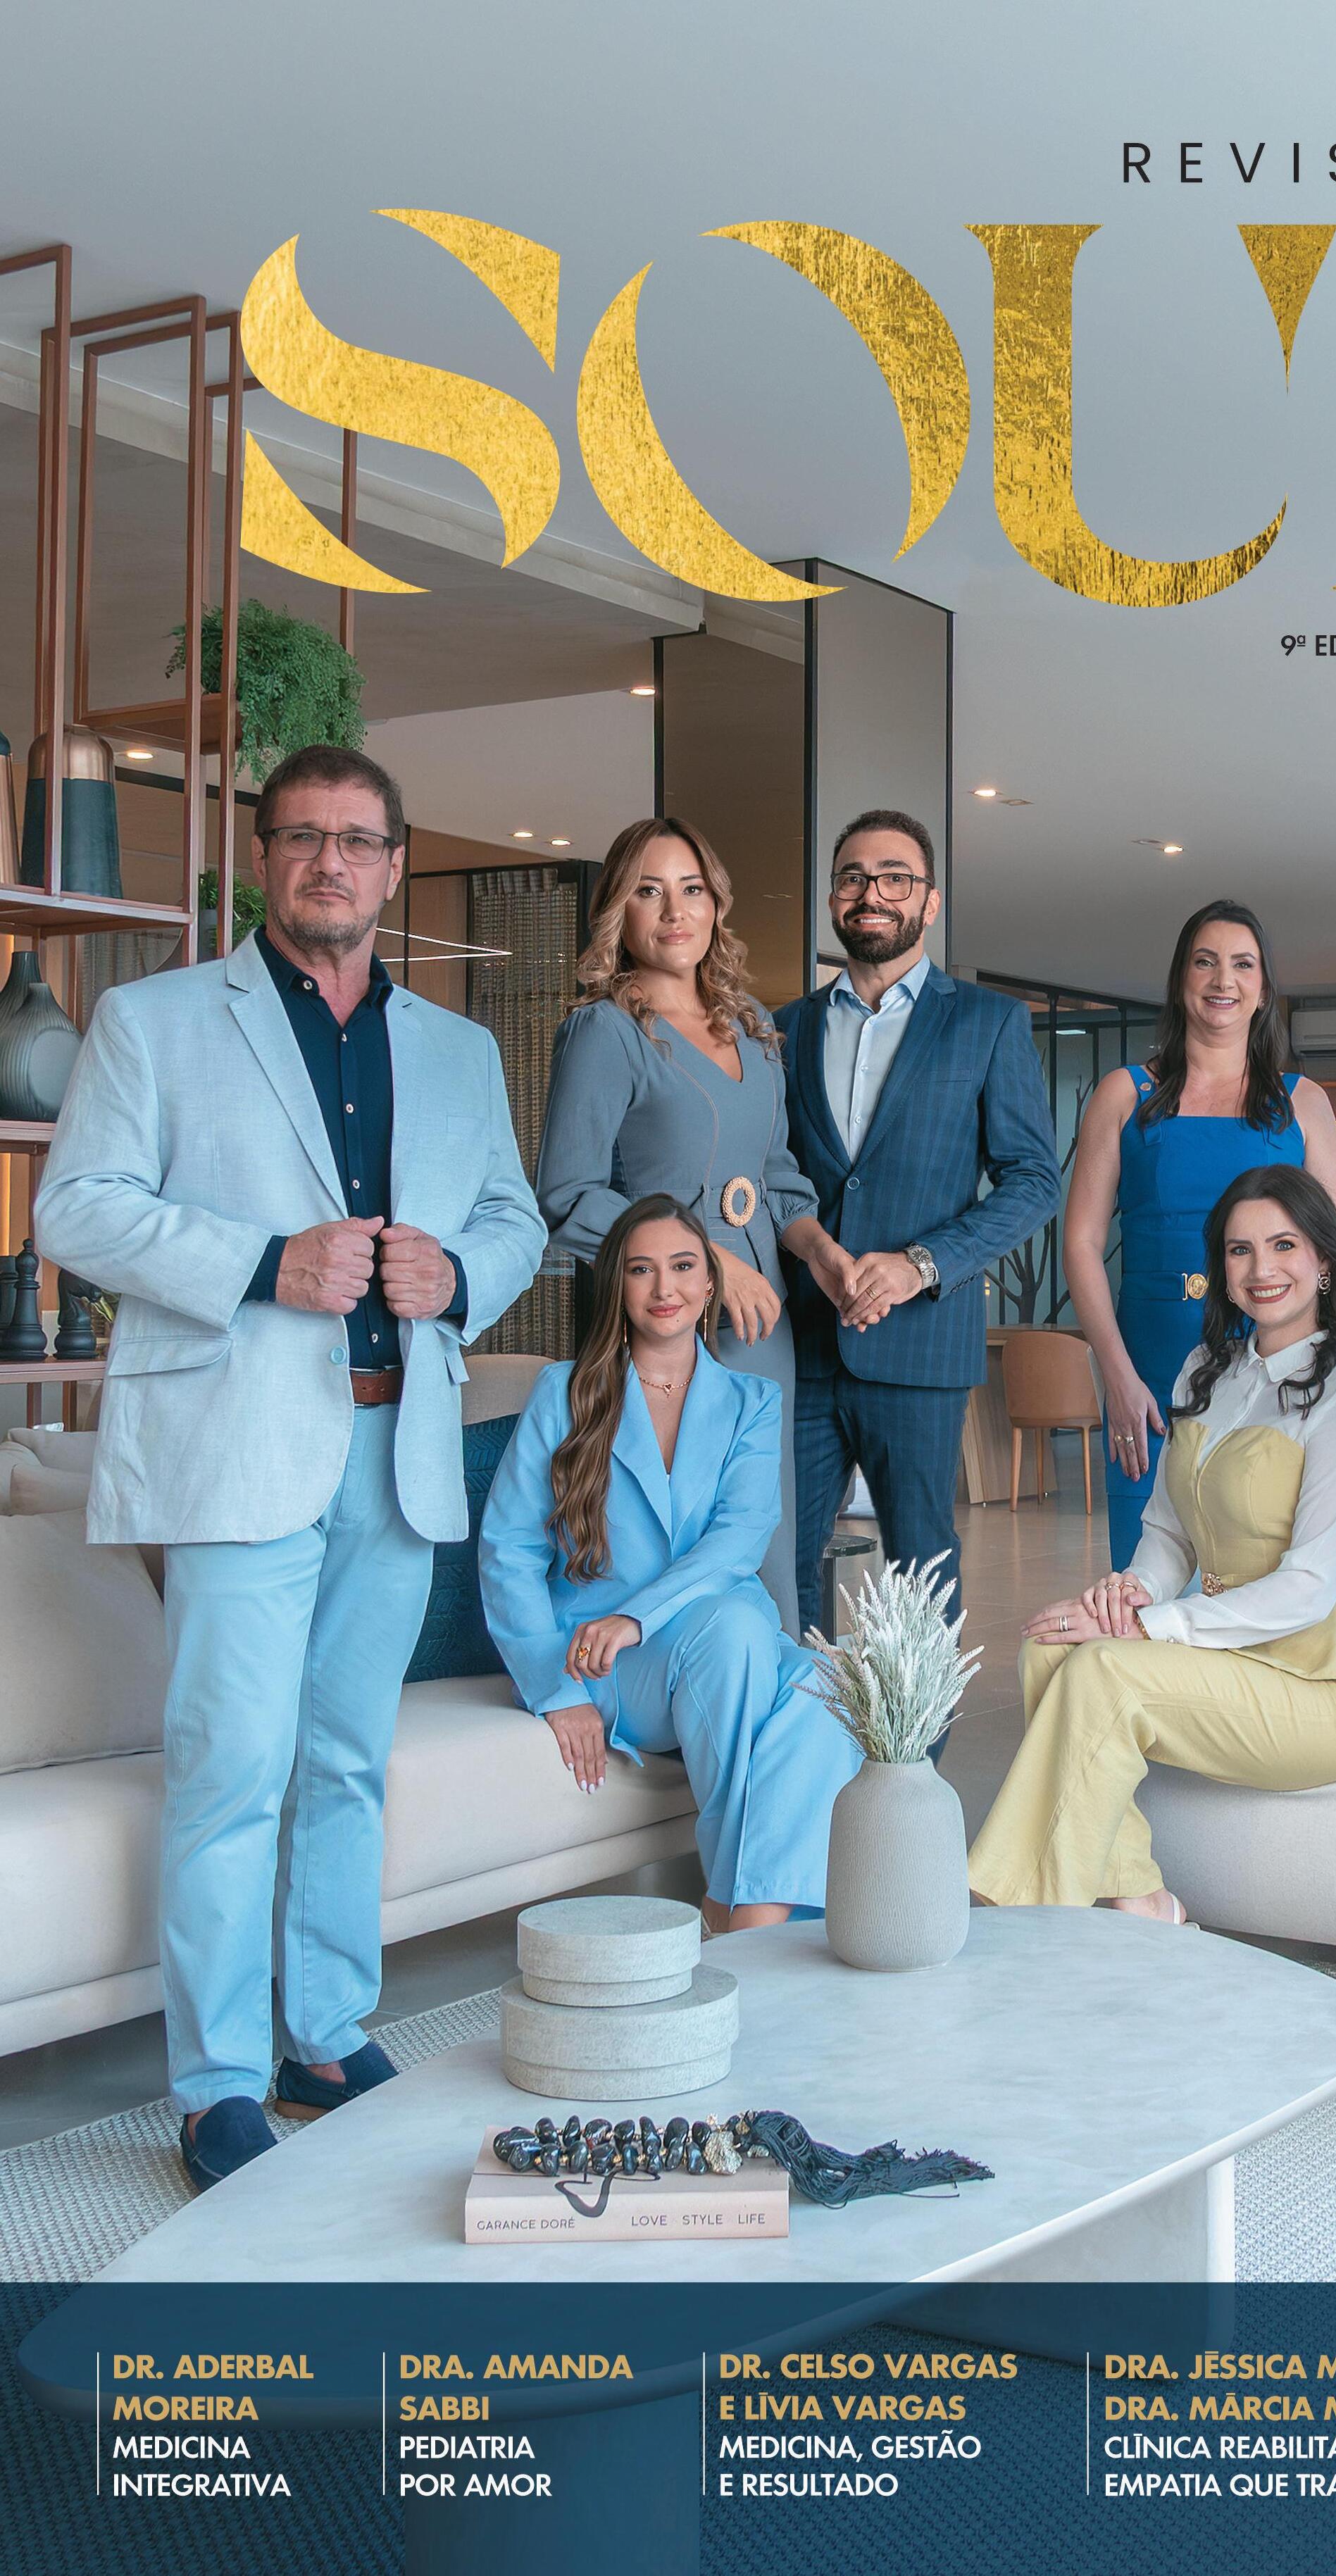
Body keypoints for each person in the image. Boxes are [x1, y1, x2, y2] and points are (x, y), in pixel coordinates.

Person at [35, 744, 545, 2192]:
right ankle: (213, 2079)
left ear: (394, 864)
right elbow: (76, 1206)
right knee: (231, 1766)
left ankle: (323, 2033)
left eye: (358, 839)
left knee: (345, 1758)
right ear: (261, 858)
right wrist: (266, 1261)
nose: (332, 861)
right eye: (304, 836)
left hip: (400, 1446)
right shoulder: (152, 1019)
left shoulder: (456, 1050)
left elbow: (511, 1216)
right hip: (238, 1445)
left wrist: (461, 1275)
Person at [968, 1165, 1336, 1918]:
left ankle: (1025, 1916)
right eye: (1241, 1250)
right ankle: (1140, 1898)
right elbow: (1169, 1531)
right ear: (1223, 1271)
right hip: (1239, 1655)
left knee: (1106, 1672)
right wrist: (1133, 1593)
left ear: (1324, 1261)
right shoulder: (1207, 1373)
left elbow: (1309, 1589)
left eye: (1284, 1245)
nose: (1262, 1268)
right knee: (1050, 1648)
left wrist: (1154, 1626)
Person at [478, 1194, 860, 1925]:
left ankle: (754, 1927)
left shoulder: (753, 1400)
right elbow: (508, 1550)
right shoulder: (564, 1392)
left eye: (684, 1267)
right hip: (610, 1662)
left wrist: (639, 1615)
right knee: (735, 1630)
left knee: (823, 1686)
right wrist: (556, 1690)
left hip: (711, 1641)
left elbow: (741, 1537)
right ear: (617, 1286)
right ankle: (727, 1904)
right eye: (642, 1270)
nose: (665, 1288)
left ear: (711, 1282)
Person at [534, 816, 858, 1634]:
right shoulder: (605, 1031)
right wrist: (704, 1262)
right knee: (673, 1527)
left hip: (761, 1321)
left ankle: (769, 1692)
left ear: (716, 903)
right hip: (659, 1316)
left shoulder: (751, 1024)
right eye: (649, 891)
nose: (675, 911)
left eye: (692, 889)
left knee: (762, 1522)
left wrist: (819, 1250)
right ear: (620, 910)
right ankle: (665, 1693)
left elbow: (776, 1175)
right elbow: (567, 1195)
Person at [777, 807, 1059, 1627]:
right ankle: (797, 1710)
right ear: (834, 897)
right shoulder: (782, 1029)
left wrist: (921, 1264)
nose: (872, 893)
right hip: (800, 1341)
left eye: (895, 878)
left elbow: (1034, 1180)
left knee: (921, 1568)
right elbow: (771, 1170)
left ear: (929, 901)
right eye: (854, 877)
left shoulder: (986, 1022)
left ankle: (917, 1720)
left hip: (922, 1345)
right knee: (780, 1560)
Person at [1064, 901, 1336, 1568]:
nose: (1224, 980)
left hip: (1280, 1364)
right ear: (1180, 980)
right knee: (1145, 1571)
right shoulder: (1123, 1094)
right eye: (1206, 962)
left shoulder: (1302, 1101)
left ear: (1263, 989)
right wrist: (1116, 1377)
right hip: (1148, 1369)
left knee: (1262, 1562)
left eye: (1242, 965)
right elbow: (1080, 1244)